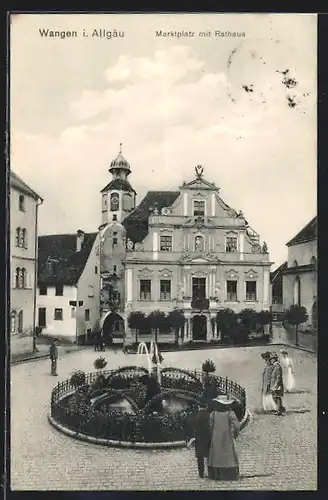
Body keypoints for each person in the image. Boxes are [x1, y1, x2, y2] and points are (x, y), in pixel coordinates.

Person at [207, 395, 240, 481]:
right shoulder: (230, 413)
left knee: (216, 455)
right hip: (227, 438)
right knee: (229, 454)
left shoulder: (213, 414)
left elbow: (210, 427)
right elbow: (237, 426)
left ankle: (216, 474)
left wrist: (212, 435)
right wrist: (234, 435)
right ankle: (230, 474)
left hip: (216, 438)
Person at [187, 399, 212, 478]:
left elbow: (193, 426)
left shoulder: (196, 415)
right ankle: (210, 472)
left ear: (198, 407)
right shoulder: (209, 415)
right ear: (206, 407)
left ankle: (201, 473)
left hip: (199, 438)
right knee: (209, 456)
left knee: (200, 457)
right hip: (208, 438)